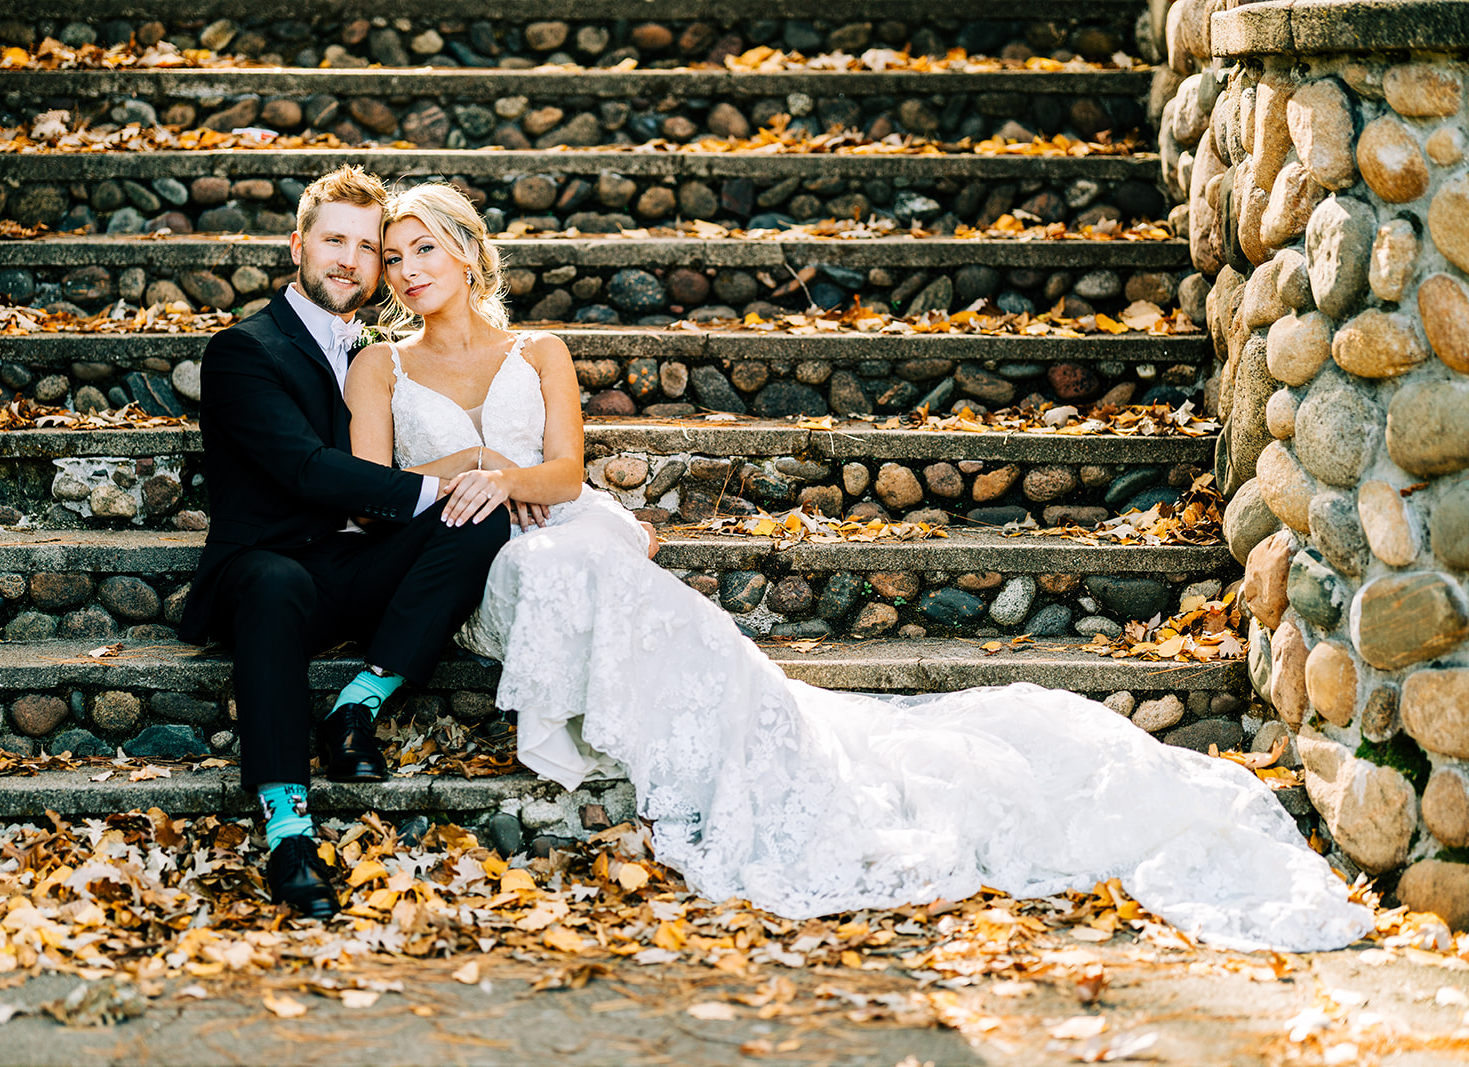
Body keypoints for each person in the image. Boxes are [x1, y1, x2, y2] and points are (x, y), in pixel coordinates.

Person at [339, 181, 1374, 952]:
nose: (407, 269)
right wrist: (469, 469)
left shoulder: (542, 352)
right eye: (392, 260)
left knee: (596, 569)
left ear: (468, 253)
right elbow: (373, 483)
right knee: (556, 573)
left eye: (422, 246)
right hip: (468, 561)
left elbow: (565, 468)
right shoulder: (378, 363)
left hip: (563, 525)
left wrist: (507, 467)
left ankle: (749, 738)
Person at [178, 166, 509, 920]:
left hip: (352, 565)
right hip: (263, 571)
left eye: (368, 248)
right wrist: (432, 487)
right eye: (335, 240)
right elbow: (304, 467)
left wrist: (477, 482)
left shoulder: (376, 352)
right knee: (275, 583)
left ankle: (358, 703)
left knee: (482, 509)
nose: (350, 260)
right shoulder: (243, 349)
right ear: (298, 244)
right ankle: (288, 828)